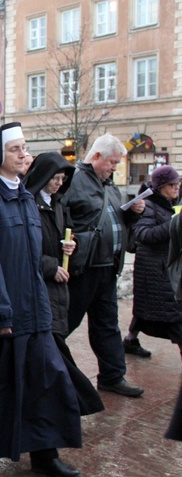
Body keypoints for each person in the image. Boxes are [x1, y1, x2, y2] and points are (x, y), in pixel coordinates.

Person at [0, 122, 82, 477]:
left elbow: (35, 257)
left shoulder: (27, 198)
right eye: (15, 149)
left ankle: (46, 455)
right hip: (3, 314)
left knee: (45, 383)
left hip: (34, 311)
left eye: (25, 147)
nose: (23, 154)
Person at [62, 133, 146, 397]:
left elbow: (114, 220)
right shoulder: (73, 180)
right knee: (64, 324)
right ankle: (45, 372)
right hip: (83, 268)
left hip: (108, 267)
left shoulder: (109, 185)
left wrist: (133, 215)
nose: (114, 168)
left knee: (107, 325)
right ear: (96, 156)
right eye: (112, 162)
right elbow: (61, 219)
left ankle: (112, 376)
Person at [23, 152, 105, 417]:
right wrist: (49, 266)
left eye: (62, 179)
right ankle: (77, 401)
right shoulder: (29, 203)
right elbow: (22, 249)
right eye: (55, 178)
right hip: (42, 286)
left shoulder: (58, 204)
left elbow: (68, 233)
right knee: (55, 351)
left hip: (59, 288)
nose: (59, 183)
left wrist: (72, 245)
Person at [124, 166, 182, 359]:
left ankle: (130, 339)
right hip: (154, 269)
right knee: (172, 315)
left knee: (145, 310)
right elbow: (143, 234)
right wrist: (172, 225)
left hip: (163, 267)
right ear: (160, 187)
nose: (176, 188)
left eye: (178, 184)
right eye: (172, 185)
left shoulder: (171, 202)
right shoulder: (149, 205)